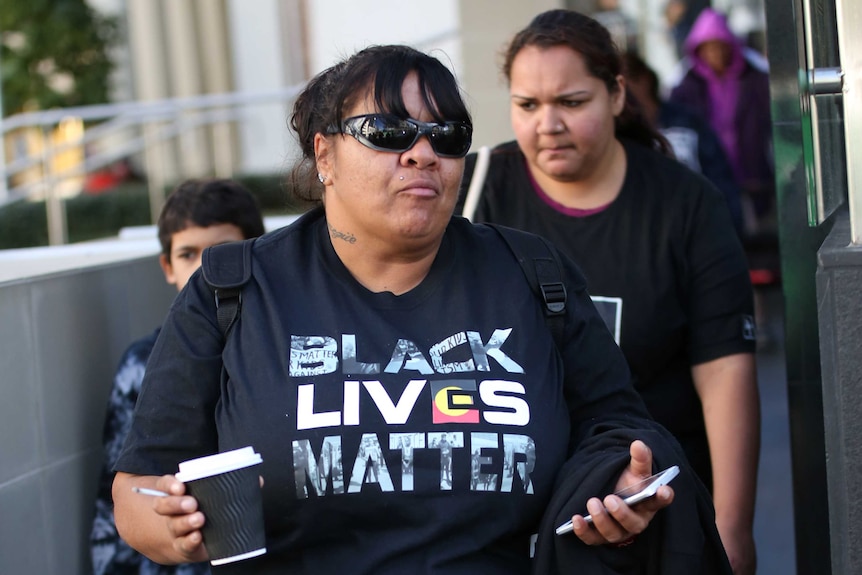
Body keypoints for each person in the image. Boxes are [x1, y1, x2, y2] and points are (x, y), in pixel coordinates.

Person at [110, 44, 730, 574]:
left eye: (448, 135)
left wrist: (618, 492)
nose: (423, 153)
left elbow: (614, 426)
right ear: (323, 156)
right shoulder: (232, 288)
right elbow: (136, 491)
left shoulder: (529, 273)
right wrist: (170, 524)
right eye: (388, 133)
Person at [457, 10, 759, 575]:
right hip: (509, 511)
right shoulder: (473, 191)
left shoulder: (685, 202)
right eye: (527, 105)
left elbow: (724, 369)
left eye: (571, 102)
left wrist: (733, 524)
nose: (547, 124)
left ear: (617, 94)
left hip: (653, 504)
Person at [90, 178, 266, 575]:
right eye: (188, 255)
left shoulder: (280, 350)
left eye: (219, 253)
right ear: (168, 266)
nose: (204, 271)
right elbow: (115, 497)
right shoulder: (140, 363)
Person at [668, 7, 774, 239]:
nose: (715, 53)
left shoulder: (755, 77)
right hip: (708, 174)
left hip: (753, 175)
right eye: (709, 47)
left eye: (720, 45)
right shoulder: (686, 85)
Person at [621, 50, 744, 235]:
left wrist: (730, 228)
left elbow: (719, 177)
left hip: (700, 227)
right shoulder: (621, 134)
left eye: (627, 82)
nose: (624, 93)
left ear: (644, 80)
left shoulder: (688, 122)